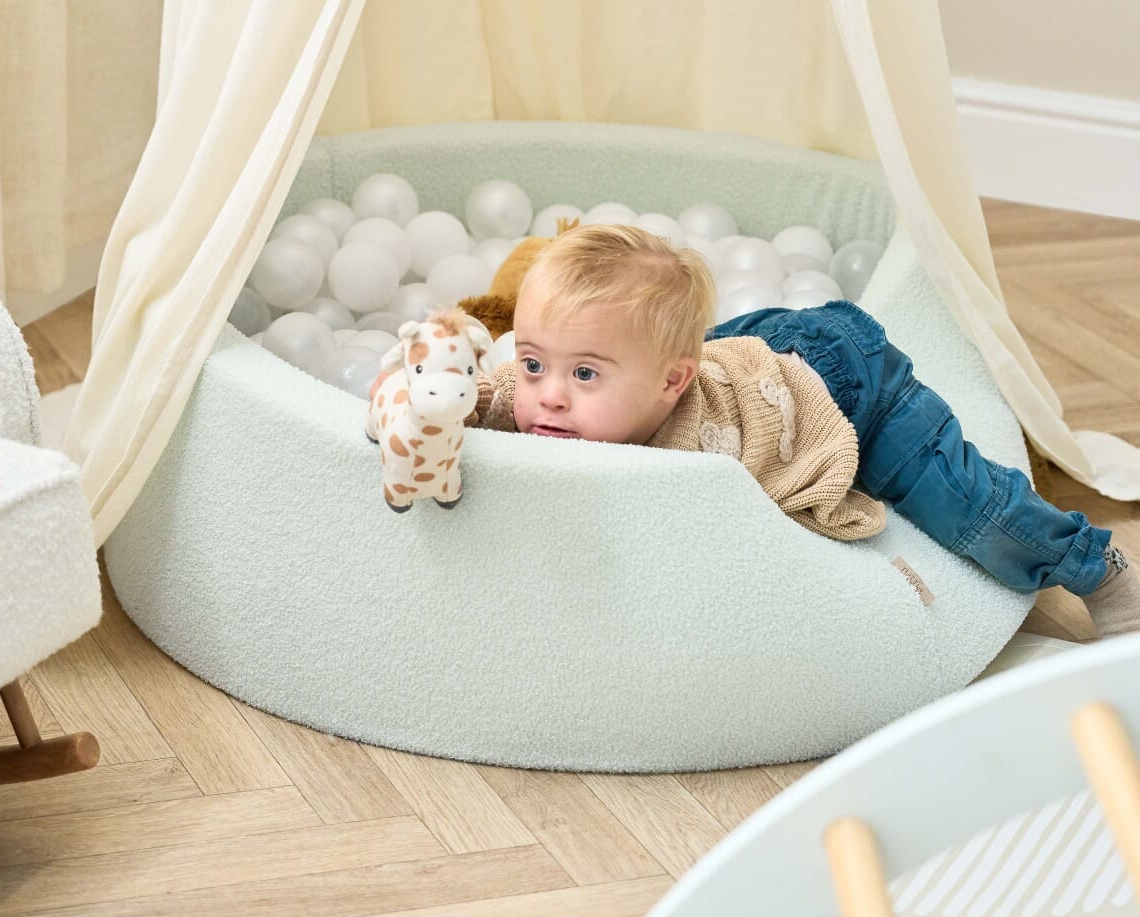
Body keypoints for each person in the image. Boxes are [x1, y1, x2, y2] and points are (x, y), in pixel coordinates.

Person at [469, 224, 1140, 638]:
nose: (547, 396)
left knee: (967, 505)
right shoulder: (568, 399)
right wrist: (450, 403)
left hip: (849, 383)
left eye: (584, 374)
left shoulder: (690, 467)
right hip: (750, 347)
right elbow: (490, 398)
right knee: (652, 339)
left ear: (672, 383)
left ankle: (1096, 569)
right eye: (533, 363)